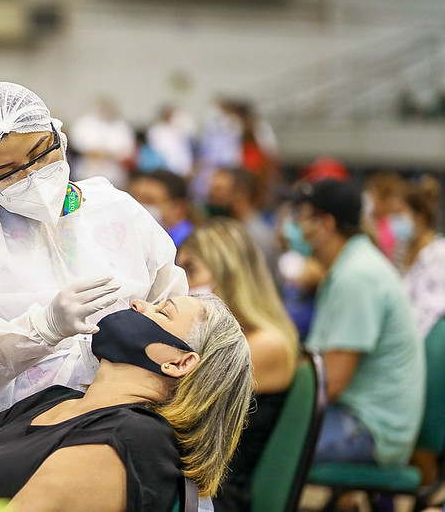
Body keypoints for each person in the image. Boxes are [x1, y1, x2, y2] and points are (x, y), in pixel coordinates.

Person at [0, 82, 188, 482]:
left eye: (41, 153)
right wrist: (41, 329)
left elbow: (176, 309)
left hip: (122, 426)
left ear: (59, 133)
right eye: (7, 172)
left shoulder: (116, 211)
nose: (33, 175)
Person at [0, 293, 252, 511]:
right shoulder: (53, 400)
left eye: (162, 311)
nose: (139, 304)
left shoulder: (134, 438)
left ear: (180, 362)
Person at [288, 178, 424, 466]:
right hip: (356, 414)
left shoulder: (357, 277)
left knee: (258, 440)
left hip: (369, 428)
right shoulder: (348, 266)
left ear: (325, 224)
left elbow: (331, 383)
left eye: (301, 216)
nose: (295, 225)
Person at [177, 218, 298, 511]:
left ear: (228, 274)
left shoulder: (266, 344)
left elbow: (182, 407)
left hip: (216, 492)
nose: (182, 284)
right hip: (196, 478)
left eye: (190, 270)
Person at [400, 175, 445, 339]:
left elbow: (433, 307)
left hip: (428, 339)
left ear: (418, 216)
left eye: (400, 213)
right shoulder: (404, 252)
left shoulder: (439, 253)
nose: (395, 220)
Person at [128, 169, 195, 248]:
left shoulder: (190, 245)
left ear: (178, 208)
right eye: (133, 198)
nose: (138, 205)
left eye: (148, 200)